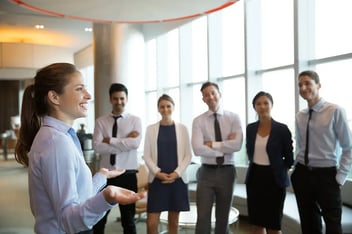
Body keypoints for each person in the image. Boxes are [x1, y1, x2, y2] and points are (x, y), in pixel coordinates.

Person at [14, 63, 144, 234]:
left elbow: (79, 195)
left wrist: (102, 176)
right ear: (54, 97)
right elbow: (69, 220)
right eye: (79, 89)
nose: (88, 95)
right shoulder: (56, 143)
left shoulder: (61, 136)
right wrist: (107, 197)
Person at [291, 70, 352, 234]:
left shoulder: (335, 110)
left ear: (318, 85)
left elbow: (348, 147)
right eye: (300, 85)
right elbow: (300, 146)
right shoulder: (300, 116)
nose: (303, 88)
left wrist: (340, 178)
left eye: (308, 83)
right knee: (309, 225)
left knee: (333, 226)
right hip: (302, 174)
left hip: (327, 176)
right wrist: (296, 170)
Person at [191, 81, 243, 234]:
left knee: (223, 217)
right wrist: (224, 147)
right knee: (202, 217)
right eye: (206, 95)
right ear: (203, 99)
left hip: (227, 172)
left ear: (220, 94)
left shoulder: (233, 118)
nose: (210, 97)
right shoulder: (198, 121)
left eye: (213, 93)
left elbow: (237, 145)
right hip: (206, 172)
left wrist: (212, 144)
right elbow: (197, 149)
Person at [93, 83, 142, 234]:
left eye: (122, 98)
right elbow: (97, 146)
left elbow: (135, 143)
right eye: (115, 98)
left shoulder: (135, 120)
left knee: (128, 220)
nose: (119, 102)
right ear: (110, 99)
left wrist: (111, 140)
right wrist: (124, 140)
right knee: (99, 218)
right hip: (107, 174)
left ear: (126, 99)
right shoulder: (101, 121)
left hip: (128, 174)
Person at [245, 91, 294, 234]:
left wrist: (279, 169)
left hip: (275, 181)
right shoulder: (250, 128)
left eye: (266, 103)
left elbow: (289, 158)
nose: (262, 106)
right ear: (254, 107)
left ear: (271, 105)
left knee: (273, 225)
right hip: (255, 178)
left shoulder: (282, 129)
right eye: (258, 104)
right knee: (256, 224)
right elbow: (250, 151)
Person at [144, 94, 192, 234]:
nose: (165, 109)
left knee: (174, 221)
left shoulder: (183, 129)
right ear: (158, 109)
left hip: (177, 180)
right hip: (157, 179)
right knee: (151, 222)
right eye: (162, 107)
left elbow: (188, 155)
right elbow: (147, 155)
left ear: (173, 107)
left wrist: (176, 173)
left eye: (168, 106)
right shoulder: (150, 129)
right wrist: (157, 173)